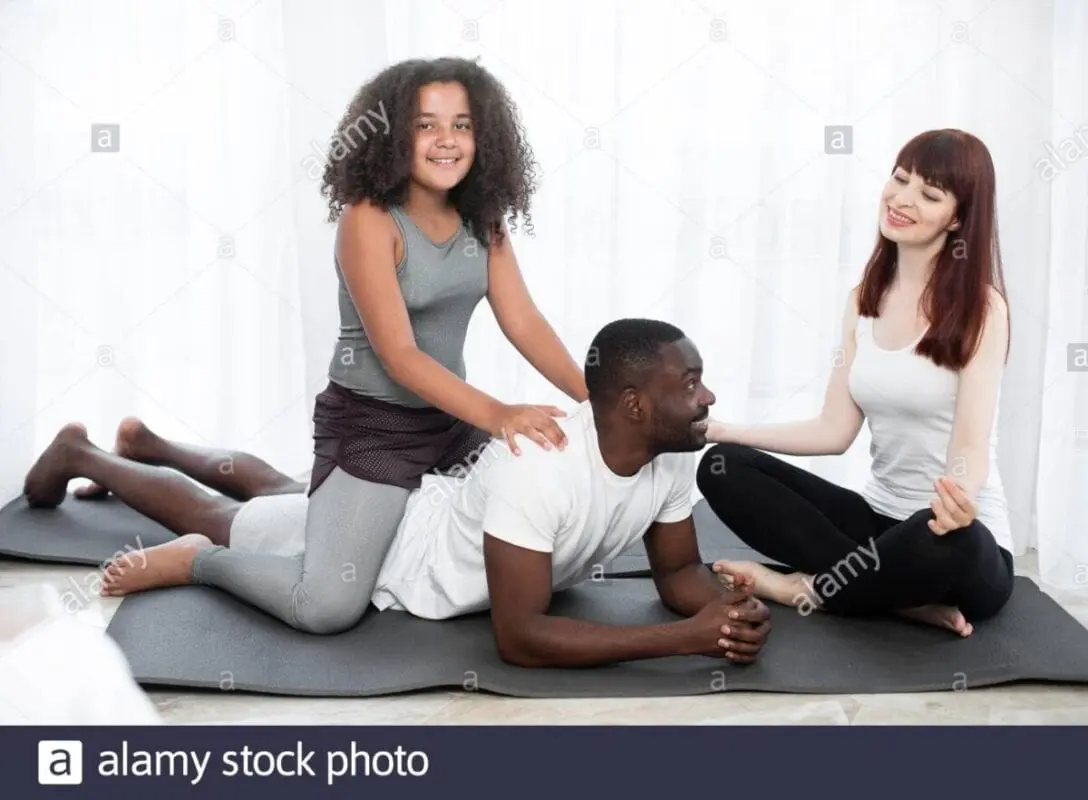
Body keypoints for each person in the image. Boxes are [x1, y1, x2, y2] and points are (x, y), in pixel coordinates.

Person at [23, 56, 590, 633]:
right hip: (373, 431)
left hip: (447, 424)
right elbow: (399, 355)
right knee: (321, 603)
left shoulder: (482, 219)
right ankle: (119, 487)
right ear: (395, 135)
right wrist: (500, 414)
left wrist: (594, 398)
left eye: (462, 125)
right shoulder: (369, 220)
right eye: (426, 125)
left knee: (287, 497)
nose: (447, 141)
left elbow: (523, 320)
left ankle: (146, 442)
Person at [33, 319, 772, 667]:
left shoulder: (671, 455)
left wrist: (721, 609)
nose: (708, 397)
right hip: (396, 552)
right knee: (232, 519)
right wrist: (685, 637)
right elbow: (520, 637)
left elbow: (676, 571)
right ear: (635, 404)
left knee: (291, 489)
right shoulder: (539, 467)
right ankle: (87, 453)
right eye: (690, 383)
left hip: (438, 497)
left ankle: (149, 444)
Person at [697, 128, 1014, 638]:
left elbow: (971, 446)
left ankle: (801, 590)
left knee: (950, 542)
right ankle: (896, 599)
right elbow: (833, 430)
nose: (902, 199)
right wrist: (723, 430)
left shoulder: (983, 309)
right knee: (719, 468)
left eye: (929, 194)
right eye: (901, 178)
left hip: (945, 535)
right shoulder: (863, 300)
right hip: (875, 524)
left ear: (957, 218)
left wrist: (959, 500)